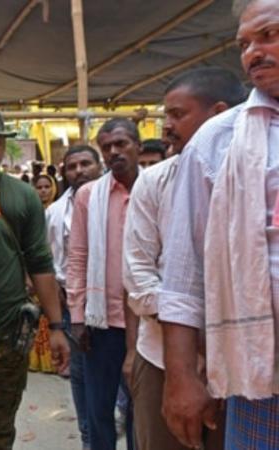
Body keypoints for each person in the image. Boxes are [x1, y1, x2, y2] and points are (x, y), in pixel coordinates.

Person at [159, 1, 279, 448]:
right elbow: (183, 272)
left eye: (268, 35)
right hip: (263, 381)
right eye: (244, 44)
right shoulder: (219, 140)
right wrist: (182, 378)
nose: (253, 53)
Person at [122, 67, 245, 450]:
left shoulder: (255, 179)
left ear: (218, 115)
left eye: (177, 114)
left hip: (246, 364)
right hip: (163, 360)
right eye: (164, 116)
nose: (165, 127)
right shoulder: (154, 181)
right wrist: (201, 339)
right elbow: (140, 279)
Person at [0, 110, 70, 448]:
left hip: (6, 330)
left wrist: (57, 327)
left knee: (0, 424)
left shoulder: (23, 196)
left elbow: (40, 263)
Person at [67, 118, 141, 450]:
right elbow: (78, 255)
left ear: (138, 145)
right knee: (99, 410)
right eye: (107, 146)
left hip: (148, 322)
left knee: (143, 411)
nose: (114, 152)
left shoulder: (155, 187)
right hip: (102, 323)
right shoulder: (89, 195)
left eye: (121, 144)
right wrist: (78, 317)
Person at [46, 144, 104, 449]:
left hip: (116, 307)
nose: (79, 171)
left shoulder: (118, 198)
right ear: (64, 172)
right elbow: (54, 266)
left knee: (122, 380)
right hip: (73, 306)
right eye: (72, 166)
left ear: (99, 165)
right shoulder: (55, 212)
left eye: (85, 164)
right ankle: (88, 440)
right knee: (81, 378)